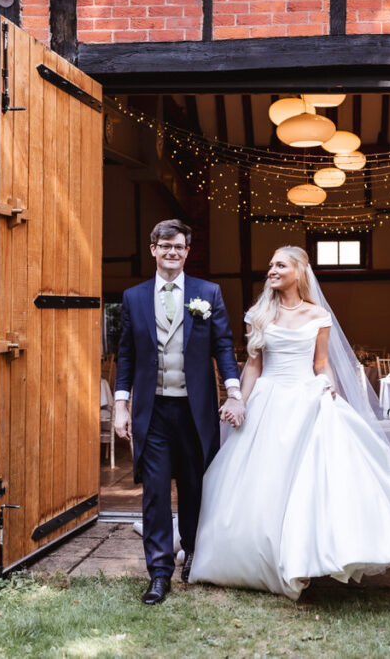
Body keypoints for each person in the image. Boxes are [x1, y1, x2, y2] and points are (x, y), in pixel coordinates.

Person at [189, 246, 390, 600]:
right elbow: (254, 366)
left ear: (299, 271)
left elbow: (321, 363)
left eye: (280, 265)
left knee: (316, 480)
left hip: (308, 398)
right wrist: (239, 400)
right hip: (269, 400)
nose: (271, 270)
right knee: (264, 480)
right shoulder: (257, 314)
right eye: (270, 264)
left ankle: (314, 555)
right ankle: (266, 556)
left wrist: (329, 382)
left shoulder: (318, 315)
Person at [114, 219, 245, 605]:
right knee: (154, 492)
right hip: (152, 411)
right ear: (153, 249)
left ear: (187, 252)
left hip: (194, 410)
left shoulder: (209, 293)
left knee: (194, 486)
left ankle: (193, 554)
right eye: (165, 246)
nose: (172, 252)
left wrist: (234, 392)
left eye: (179, 247)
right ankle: (158, 572)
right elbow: (125, 354)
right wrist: (121, 404)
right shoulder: (134, 297)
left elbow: (223, 345)